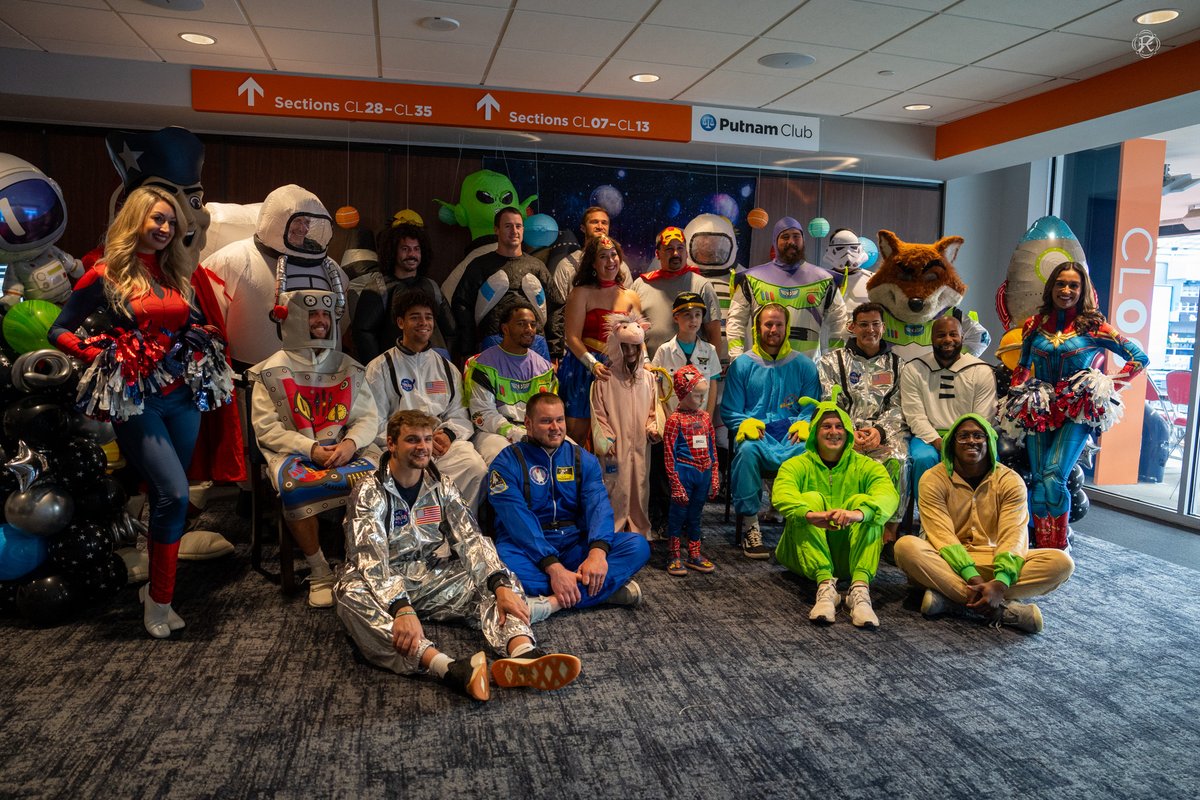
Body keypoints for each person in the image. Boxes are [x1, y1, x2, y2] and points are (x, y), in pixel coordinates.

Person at [50, 185, 234, 639]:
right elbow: (60, 328)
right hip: (138, 398)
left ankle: (157, 590)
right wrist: (100, 352)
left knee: (167, 495)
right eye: (157, 219)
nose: (166, 228)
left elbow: (183, 322)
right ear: (136, 219)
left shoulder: (175, 273)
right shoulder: (104, 274)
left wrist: (201, 333)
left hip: (183, 396)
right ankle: (160, 600)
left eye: (171, 222)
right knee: (171, 492)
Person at [336, 409, 581, 700]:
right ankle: (449, 668)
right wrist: (400, 608)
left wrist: (499, 586)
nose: (423, 447)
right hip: (382, 581)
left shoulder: (442, 485)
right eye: (412, 440)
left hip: (428, 574)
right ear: (391, 444)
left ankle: (522, 652)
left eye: (427, 439)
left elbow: (471, 539)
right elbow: (370, 557)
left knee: (499, 577)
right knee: (348, 593)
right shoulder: (368, 490)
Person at [1001, 262, 1148, 549]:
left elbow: (1139, 357)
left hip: (1076, 413)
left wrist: (1103, 388)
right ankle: (1040, 545)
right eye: (1060, 284)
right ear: (1051, 287)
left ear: (1083, 291)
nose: (1066, 290)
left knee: (1055, 475)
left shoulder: (1094, 327)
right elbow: (1022, 367)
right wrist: (1016, 398)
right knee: (1040, 478)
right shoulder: (1034, 324)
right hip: (1039, 409)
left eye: (1073, 285)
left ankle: (1058, 547)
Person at [248, 291, 380, 608]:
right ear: (294, 318)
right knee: (295, 487)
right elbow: (266, 429)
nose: (320, 321)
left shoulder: (350, 367)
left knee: (379, 480)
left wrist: (350, 443)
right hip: (295, 454)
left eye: (325, 315)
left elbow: (368, 418)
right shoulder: (269, 371)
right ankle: (319, 569)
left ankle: (365, 564)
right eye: (312, 315)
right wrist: (310, 448)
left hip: (347, 450)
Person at [896, 414, 1074, 633]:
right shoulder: (933, 478)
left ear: (989, 441)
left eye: (978, 436)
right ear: (952, 443)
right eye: (963, 436)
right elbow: (942, 536)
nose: (971, 441)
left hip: (994, 557)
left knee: (1061, 562)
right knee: (906, 547)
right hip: (945, 558)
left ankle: (951, 599)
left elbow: (1014, 535)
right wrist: (976, 579)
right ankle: (1001, 610)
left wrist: (1000, 582)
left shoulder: (1010, 481)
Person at [487, 393, 651, 615]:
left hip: (573, 543)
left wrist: (597, 553)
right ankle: (600, 592)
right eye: (546, 421)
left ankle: (553, 601)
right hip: (526, 547)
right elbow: (517, 521)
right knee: (503, 568)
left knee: (637, 546)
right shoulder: (505, 463)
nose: (555, 427)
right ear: (528, 423)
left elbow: (599, 508)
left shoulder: (584, 459)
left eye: (560, 419)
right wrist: (553, 567)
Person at [772, 391, 900, 628]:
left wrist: (858, 514)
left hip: (852, 556)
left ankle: (860, 591)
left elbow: (887, 495)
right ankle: (824, 587)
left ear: (849, 431)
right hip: (804, 556)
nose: (833, 432)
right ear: (814, 432)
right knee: (808, 500)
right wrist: (810, 515)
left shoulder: (866, 465)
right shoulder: (796, 464)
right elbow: (782, 493)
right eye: (826, 426)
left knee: (867, 504)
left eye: (840, 426)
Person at [366, 288, 487, 510]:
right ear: (401, 322)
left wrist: (448, 435)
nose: (424, 322)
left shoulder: (447, 368)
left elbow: (460, 415)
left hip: (439, 445)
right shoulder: (379, 367)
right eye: (415, 317)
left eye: (428, 317)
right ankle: (412, 532)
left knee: (474, 466)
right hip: (400, 448)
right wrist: (410, 442)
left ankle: (457, 530)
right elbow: (373, 422)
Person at [204, 184, 347, 371]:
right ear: (278, 221)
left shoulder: (330, 268)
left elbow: (341, 320)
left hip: (319, 379)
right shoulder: (233, 262)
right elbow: (208, 318)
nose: (303, 228)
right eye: (297, 221)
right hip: (252, 378)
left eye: (307, 222)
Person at [721, 304, 820, 558]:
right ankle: (750, 526)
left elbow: (811, 407)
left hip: (791, 437)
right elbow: (731, 410)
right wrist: (745, 424)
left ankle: (800, 524)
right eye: (768, 324)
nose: (773, 329)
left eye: (778, 324)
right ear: (757, 328)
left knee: (807, 453)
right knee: (747, 452)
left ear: (786, 328)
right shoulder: (742, 365)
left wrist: (804, 423)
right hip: (758, 437)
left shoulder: (805, 367)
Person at [816, 302, 908, 542]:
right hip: (844, 434)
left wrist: (879, 432)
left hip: (884, 435)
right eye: (864, 325)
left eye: (875, 324)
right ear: (852, 327)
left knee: (899, 460)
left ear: (883, 328)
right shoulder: (830, 362)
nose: (870, 330)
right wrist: (847, 433)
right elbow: (829, 403)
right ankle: (836, 524)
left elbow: (899, 408)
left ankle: (889, 532)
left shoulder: (898, 365)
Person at [900, 315, 997, 509]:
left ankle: (981, 520)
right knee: (922, 459)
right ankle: (929, 520)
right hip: (929, 437)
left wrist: (959, 442)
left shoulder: (981, 370)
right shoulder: (914, 369)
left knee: (986, 458)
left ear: (962, 337)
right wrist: (938, 442)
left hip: (971, 436)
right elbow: (914, 414)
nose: (947, 340)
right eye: (941, 335)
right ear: (931, 338)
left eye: (953, 334)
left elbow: (982, 417)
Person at [648, 291, 723, 535]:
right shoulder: (665, 350)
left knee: (696, 470)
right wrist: (665, 418)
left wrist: (708, 417)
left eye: (698, 315)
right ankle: (663, 520)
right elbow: (659, 387)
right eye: (687, 315)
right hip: (673, 421)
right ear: (676, 318)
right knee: (667, 470)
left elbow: (712, 385)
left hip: (698, 424)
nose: (693, 320)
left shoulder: (709, 350)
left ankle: (691, 522)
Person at [726, 216, 847, 360]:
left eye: (796, 236)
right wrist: (736, 359)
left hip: (808, 370)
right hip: (763, 367)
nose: (791, 242)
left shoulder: (825, 280)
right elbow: (736, 321)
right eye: (785, 236)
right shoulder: (752, 279)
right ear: (775, 241)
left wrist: (837, 360)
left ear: (803, 240)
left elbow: (839, 322)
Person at [559, 234, 641, 445]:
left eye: (613, 255)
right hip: (583, 370)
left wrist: (645, 364)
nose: (610, 261)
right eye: (603, 256)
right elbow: (572, 336)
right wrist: (592, 364)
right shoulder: (580, 293)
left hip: (619, 370)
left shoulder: (630, 296)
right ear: (593, 263)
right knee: (575, 434)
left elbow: (639, 338)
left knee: (616, 436)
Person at [590, 311, 662, 534]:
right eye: (624, 346)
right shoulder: (605, 379)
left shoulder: (649, 379)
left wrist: (653, 427)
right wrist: (606, 439)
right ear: (615, 346)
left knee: (640, 486)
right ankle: (612, 531)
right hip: (615, 447)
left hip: (641, 445)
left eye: (634, 347)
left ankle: (639, 530)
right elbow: (598, 413)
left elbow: (654, 409)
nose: (630, 352)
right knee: (615, 486)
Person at [450, 206, 552, 362]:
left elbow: (557, 305)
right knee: (493, 386)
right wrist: (467, 349)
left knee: (540, 387)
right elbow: (462, 305)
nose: (514, 231)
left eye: (518, 226)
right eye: (508, 226)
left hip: (534, 343)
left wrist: (555, 350)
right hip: (492, 341)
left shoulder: (537, 267)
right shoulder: (480, 266)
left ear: (523, 230)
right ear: (496, 230)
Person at [465, 301, 558, 465]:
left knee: (571, 455)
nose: (529, 329)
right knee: (507, 461)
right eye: (521, 324)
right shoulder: (482, 365)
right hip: (493, 433)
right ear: (505, 328)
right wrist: (513, 432)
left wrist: (538, 432)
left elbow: (551, 410)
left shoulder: (544, 368)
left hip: (535, 432)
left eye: (532, 324)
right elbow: (482, 413)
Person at [351, 221, 454, 364]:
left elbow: (450, 330)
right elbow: (363, 333)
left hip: (433, 368)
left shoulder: (432, 286)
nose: (412, 254)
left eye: (416, 249)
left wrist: (445, 362)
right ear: (393, 251)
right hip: (396, 367)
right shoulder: (378, 288)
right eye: (405, 249)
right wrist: (380, 368)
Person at [547, 206, 629, 358]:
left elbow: (628, 307)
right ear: (583, 228)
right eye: (594, 222)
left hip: (617, 355)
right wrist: (556, 352)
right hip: (577, 352)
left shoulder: (621, 267)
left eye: (604, 222)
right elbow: (557, 310)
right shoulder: (566, 266)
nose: (600, 226)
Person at [632, 226, 723, 358]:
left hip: (692, 374)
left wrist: (712, 373)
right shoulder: (640, 285)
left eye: (680, 248)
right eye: (669, 249)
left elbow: (713, 335)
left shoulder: (702, 286)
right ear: (657, 254)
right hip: (650, 372)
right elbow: (632, 331)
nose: (675, 253)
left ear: (686, 252)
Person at [662, 366, 719, 576]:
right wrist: (675, 483)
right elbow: (669, 455)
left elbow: (712, 449)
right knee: (677, 516)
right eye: (696, 395)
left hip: (703, 474)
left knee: (696, 516)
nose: (701, 399)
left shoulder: (705, 418)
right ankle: (674, 554)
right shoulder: (674, 421)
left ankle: (694, 554)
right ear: (683, 393)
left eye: (703, 395)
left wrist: (714, 476)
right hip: (684, 474)